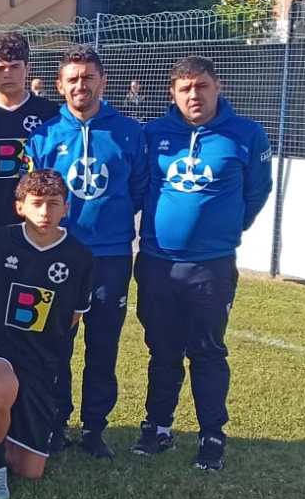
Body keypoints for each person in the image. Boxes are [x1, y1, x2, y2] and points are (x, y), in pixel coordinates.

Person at [133, 56, 271, 471]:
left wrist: (223, 230)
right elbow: (140, 187)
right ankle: (158, 427)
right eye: (185, 88)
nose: (194, 95)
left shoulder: (246, 134)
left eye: (202, 86)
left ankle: (212, 435)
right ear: (173, 93)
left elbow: (257, 192)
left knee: (207, 351)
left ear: (218, 86)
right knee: (162, 350)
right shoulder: (153, 133)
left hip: (211, 267)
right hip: (157, 263)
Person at [27, 46, 147, 457]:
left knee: (103, 345)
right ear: (60, 85)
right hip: (57, 255)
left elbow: (138, 190)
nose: (81, 85)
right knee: (56, 344)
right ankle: (56, 423)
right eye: (73, 79)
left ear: (103, 82)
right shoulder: (44, 135)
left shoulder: (129, 132)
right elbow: (33, 194)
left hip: (111, 257)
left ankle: (95, 428)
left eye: (89, 77)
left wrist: (108, 224)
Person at [0, 169, 95, 496]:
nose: (45, 212)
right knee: (4, 386)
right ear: (20, 207)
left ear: (66, 208)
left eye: (53, 203)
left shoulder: (79, 257)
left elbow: (72, 317)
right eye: (36, 203)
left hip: (41, 359)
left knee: (30, 470)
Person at [0, 33, 58, 230]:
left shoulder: (50, 113)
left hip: (39, 219)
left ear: (27, 68)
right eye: (0, 68)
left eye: (15, 67)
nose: (8, 74)